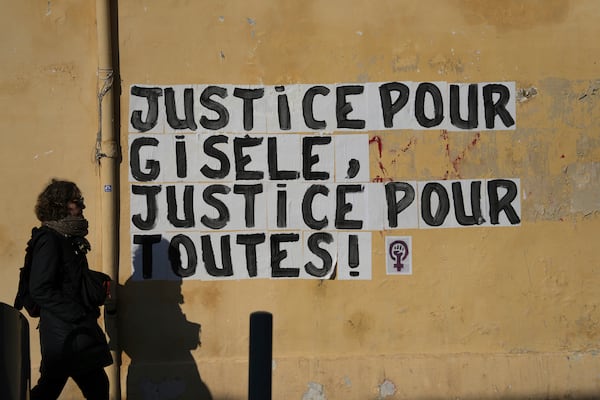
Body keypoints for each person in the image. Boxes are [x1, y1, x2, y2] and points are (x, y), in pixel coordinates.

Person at [29, 179, 113, 400]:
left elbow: (68, 279)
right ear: (60, 205)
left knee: (56, 387)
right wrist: (75, 313)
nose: (82, 207)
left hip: (69, 331)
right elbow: (40, 288)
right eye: (77, 202)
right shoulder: (50, 239)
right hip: (65, 332)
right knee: (92, 387)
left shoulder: (67, 239)